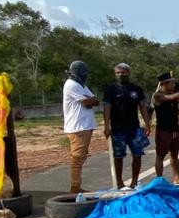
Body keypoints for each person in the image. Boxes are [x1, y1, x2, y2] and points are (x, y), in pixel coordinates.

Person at [102, 63, 152, 189]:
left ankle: (134, 181)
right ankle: (119, 182)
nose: (120, 75)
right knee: (118, 156)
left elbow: (143, 107)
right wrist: (106, 126)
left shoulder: (136, 89)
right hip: (118, 129)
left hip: (134, 129)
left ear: (128, 73)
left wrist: (147, 124)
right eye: (118, 73)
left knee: (137, 154)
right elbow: (107, 108)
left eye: (123, 72)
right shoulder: (111, 89)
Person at [62, 60, 100, 194]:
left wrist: (92, 101)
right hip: (77, 127)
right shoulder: (72, 84)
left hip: (84, 126)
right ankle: (75, 187)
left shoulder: (81, 85)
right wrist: (91, 101)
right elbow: (88, 102)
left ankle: (76, 186)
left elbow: (93, 99)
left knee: (82, 156)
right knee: (77, 158)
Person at [152, 72, 179, 185]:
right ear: (164, 84)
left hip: (175, 129)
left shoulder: (174, 95)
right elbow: (171, 97)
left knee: (174, 155)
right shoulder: (158, 95)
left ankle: (177, 178)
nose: (173, 85)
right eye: (171, 83)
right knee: (160, 155)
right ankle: (159, 179)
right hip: (163, 130)